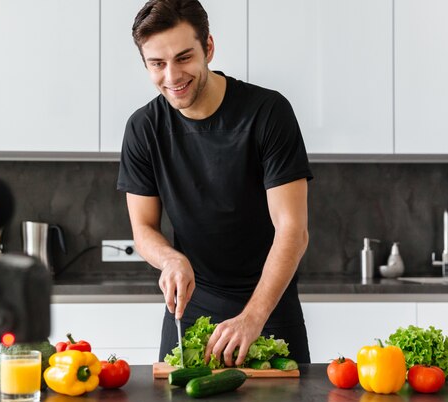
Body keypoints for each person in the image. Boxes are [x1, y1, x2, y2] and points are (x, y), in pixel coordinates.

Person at [117, 0, 313, 366]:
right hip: (192, 309)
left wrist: (254, 317)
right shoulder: (143, 129)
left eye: (184, 57)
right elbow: (143, 229)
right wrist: (170, 259)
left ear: (208, 47)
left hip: (270, 307)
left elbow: (293, 230)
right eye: (157, 64)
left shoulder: (268, 113)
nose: (172, 76)